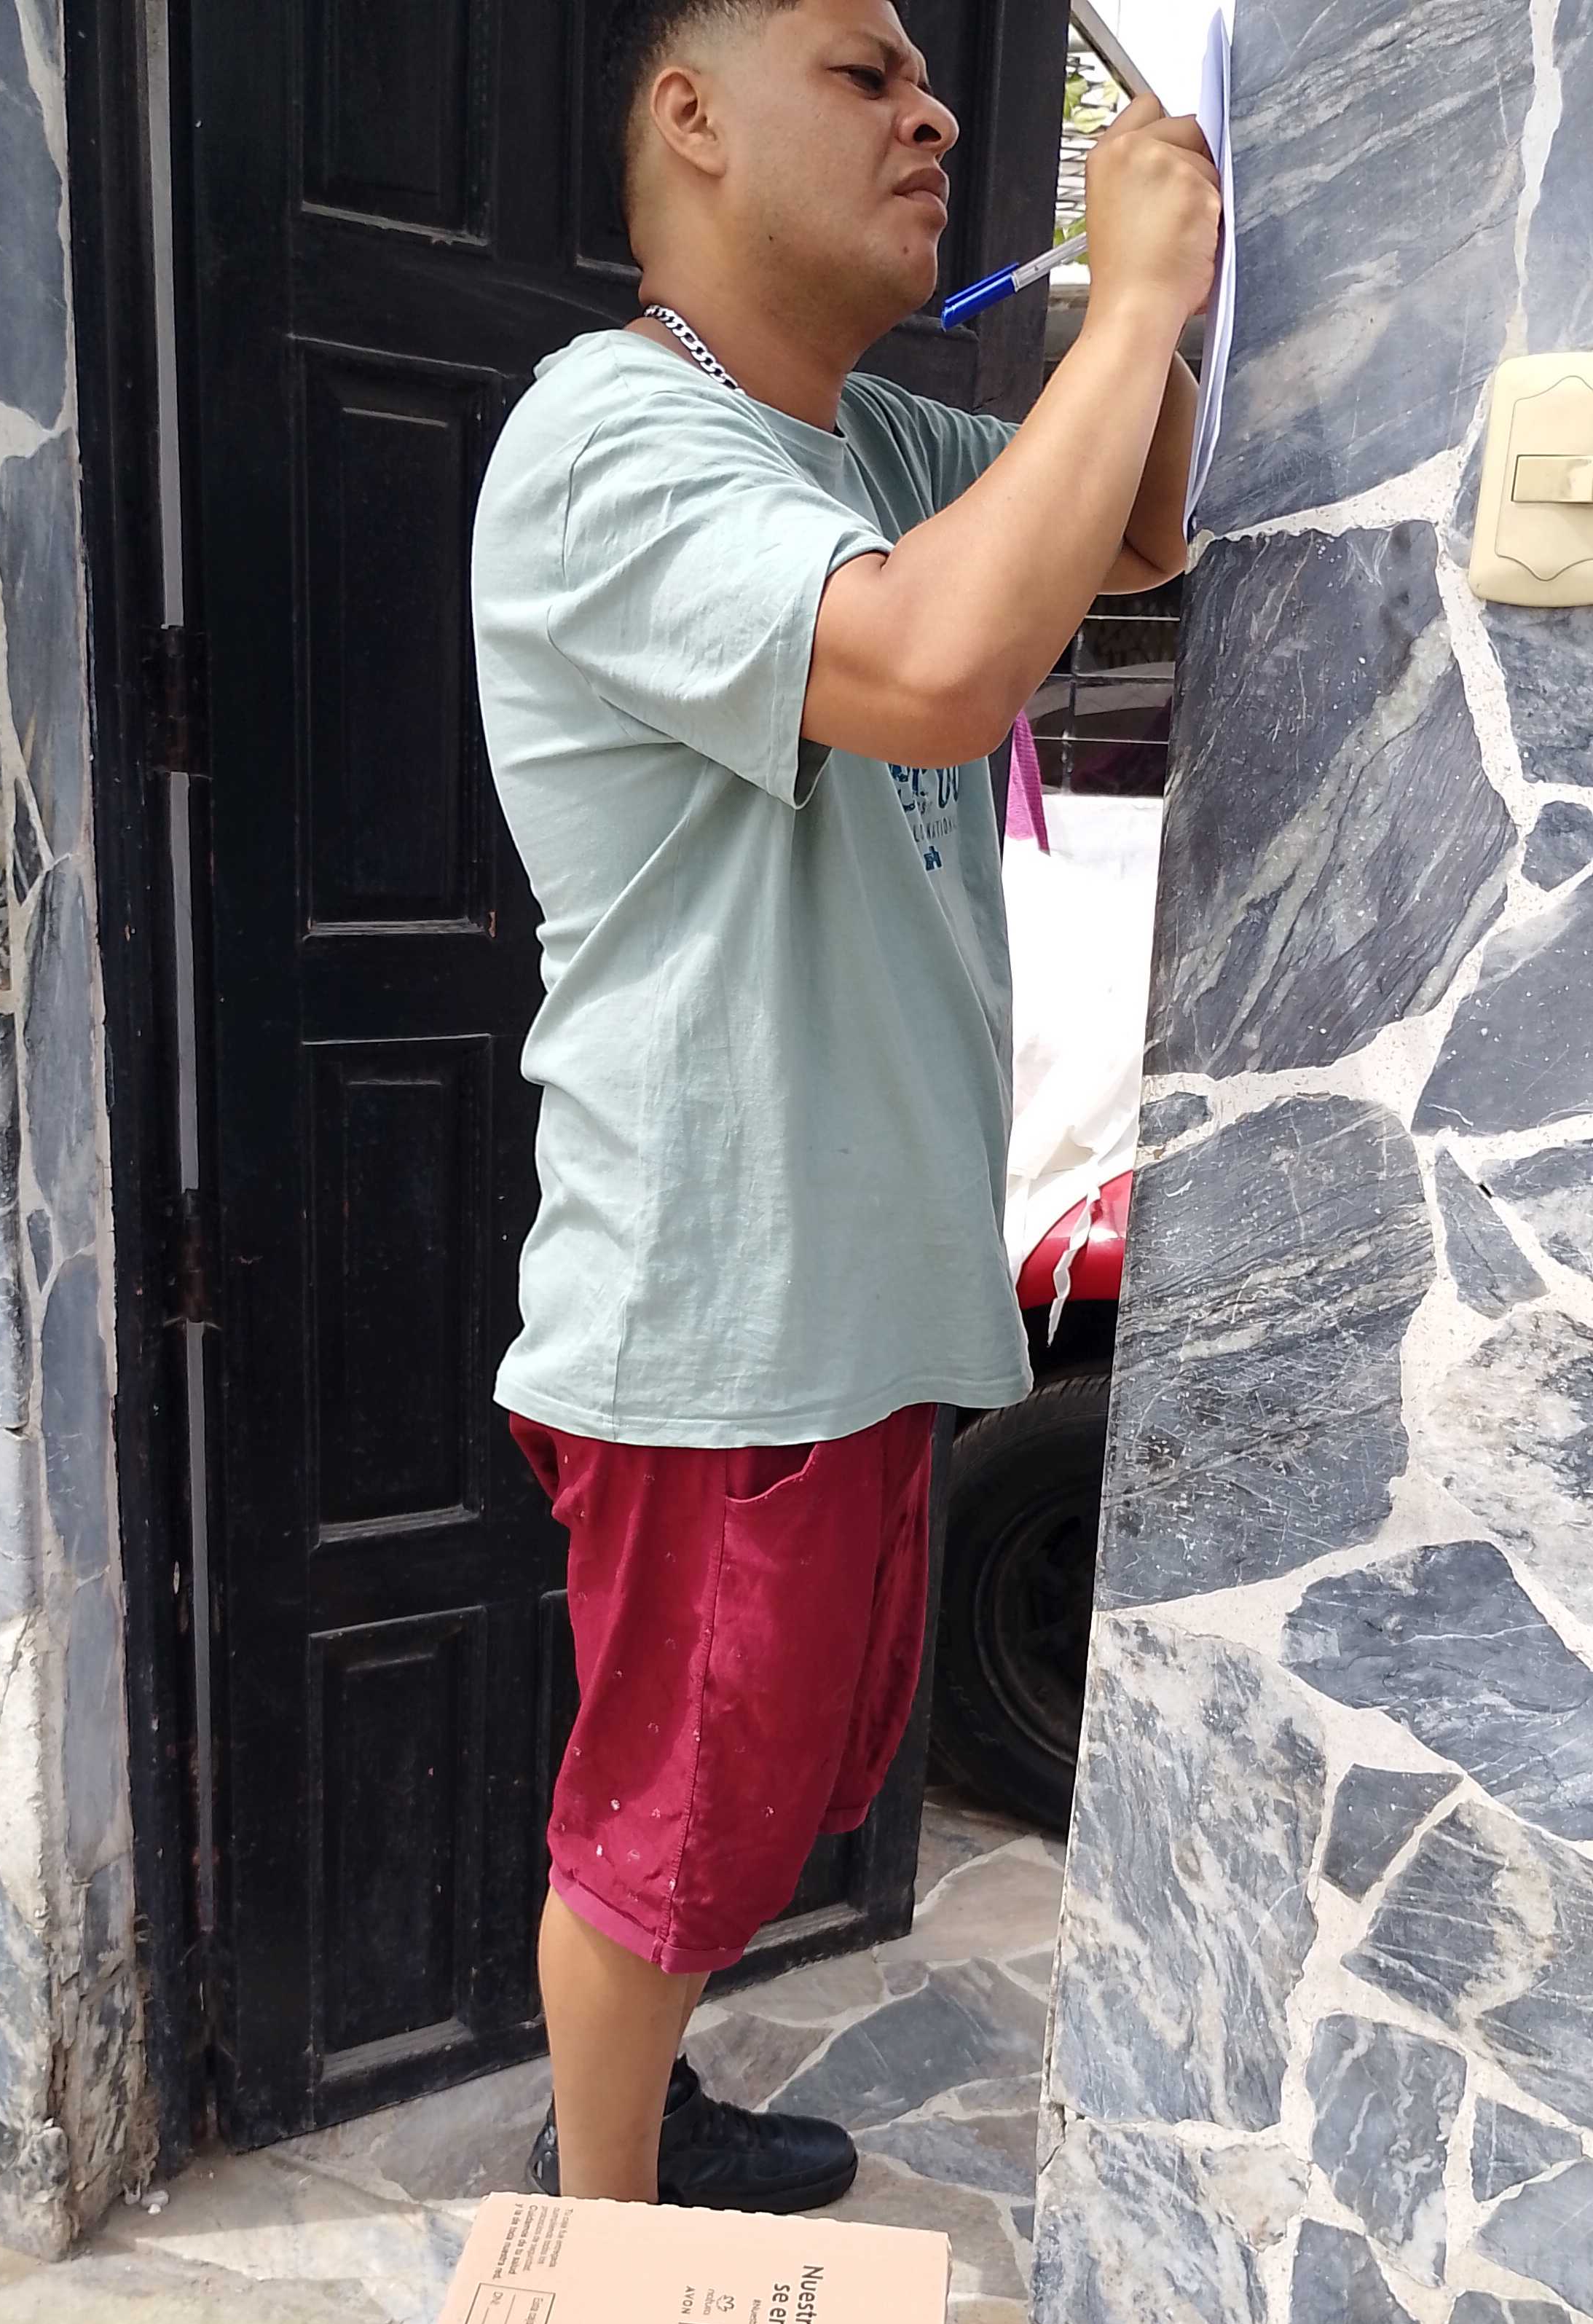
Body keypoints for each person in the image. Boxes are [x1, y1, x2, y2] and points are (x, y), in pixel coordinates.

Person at [473, 0, 1219, 2207]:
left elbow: (1140, 530)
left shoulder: (872, 440)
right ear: (691, 118)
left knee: (742, 1800)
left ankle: (638, 2115)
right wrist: (1135, 300)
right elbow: (934, 669)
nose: (938, 112)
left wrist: (1155, 288)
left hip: (840, 1305)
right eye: (865, 73)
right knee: (665, 1837)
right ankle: (601, 2234)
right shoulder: (608, 436)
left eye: (929, 77)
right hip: (723, 1319)